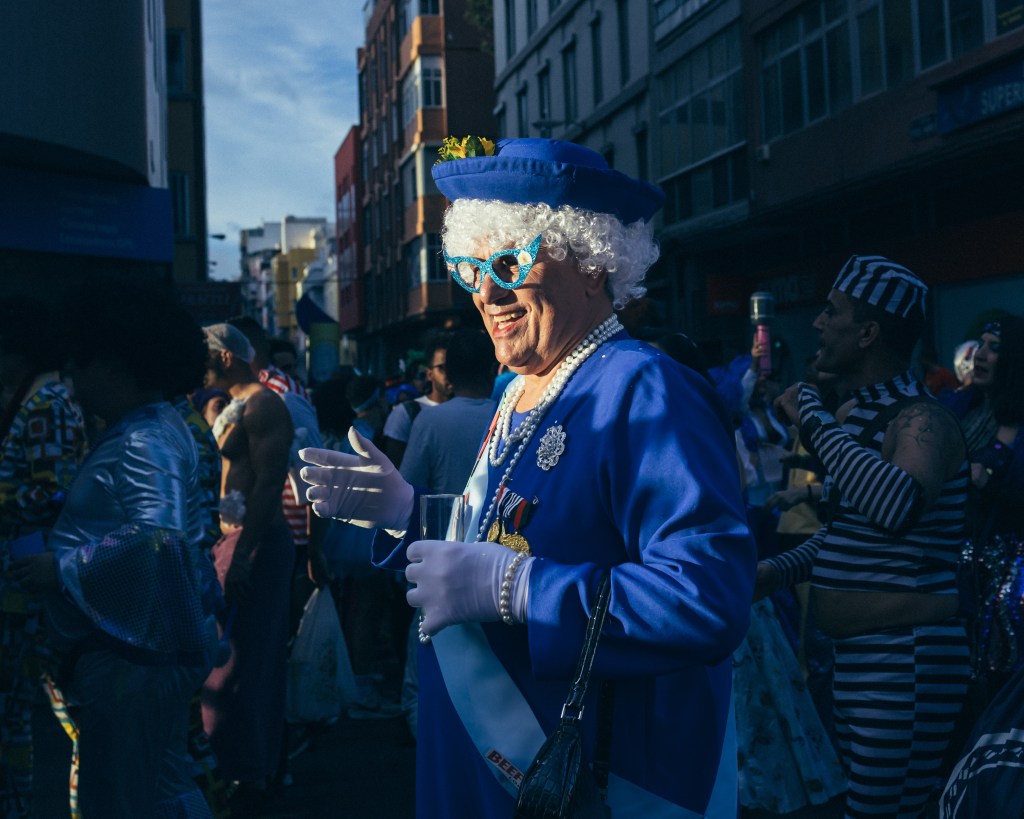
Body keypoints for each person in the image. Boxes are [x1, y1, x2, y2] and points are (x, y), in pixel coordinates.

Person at [300, 137, 756, 817]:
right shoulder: (519, 387)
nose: (486, 291)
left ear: (593, 262)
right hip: (487, 769)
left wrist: (519, 589)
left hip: (590, 775)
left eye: (509, 261)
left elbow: (706, 598)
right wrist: (407, 512)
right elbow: (514, 532)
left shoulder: (646, 388)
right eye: (467, 266)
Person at [756, 255, 971, 818]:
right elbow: (851, 535)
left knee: (881, 812)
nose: (818, 325)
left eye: (833, 312)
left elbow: (894, 506)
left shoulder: (922, 420)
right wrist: (777, 571)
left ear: (869, 333)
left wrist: (812, 416)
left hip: (907, 658)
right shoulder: (856, 417)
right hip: (862, 659)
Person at [11, 281, 219, 817]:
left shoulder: (141, 439)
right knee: (162, 786)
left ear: (116, 366)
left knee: (127, 799)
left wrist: (60, 569)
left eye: (79, 364)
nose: (71, 380)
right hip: (142, 657)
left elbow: (162, 539)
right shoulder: (149, 428)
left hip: (131, 664)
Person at [199, 323, 295, 809]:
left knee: (242, 661)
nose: (201, 366)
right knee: (232, 657)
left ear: (227, 358)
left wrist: (243, 554)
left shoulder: (264, 405)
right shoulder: (231, 405)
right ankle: (242, 766)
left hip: (254, 542)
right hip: (232, 540)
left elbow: (266, 485)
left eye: (206, 357)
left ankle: (249, 771)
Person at [0, 296, 86, 818]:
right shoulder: (43, 397)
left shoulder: (44, 404)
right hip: (31, 581)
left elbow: (53, 491)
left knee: (27, 709)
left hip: (29, 585)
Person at [381, 332, 452, 467]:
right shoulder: (406, 413)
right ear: (430, 374)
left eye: (454, 366)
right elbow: (393, 468)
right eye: (442, 368)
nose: (449, 373)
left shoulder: (469, 410)